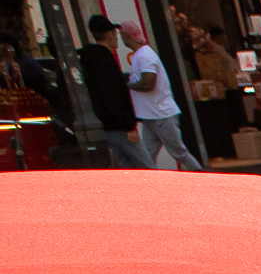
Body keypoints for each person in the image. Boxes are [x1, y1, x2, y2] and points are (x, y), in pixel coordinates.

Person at [120, 20, 202, 170]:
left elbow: (148, 83)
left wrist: (127, 85)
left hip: (160, 115)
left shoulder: (145, 56)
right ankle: (149, 182)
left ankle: (201, 174)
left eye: (121, 34)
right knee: (149, 154)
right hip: (153, 115)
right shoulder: (142, 55)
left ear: (126, 35)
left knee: (177, 152)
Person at [79, 14, 149, 167]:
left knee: (127, 169)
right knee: (147, 167)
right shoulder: (104, 60)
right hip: (120, 127)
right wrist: (129, 126)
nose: (116, 37)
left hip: (108, 126)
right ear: (109, 34)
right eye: (115, 33)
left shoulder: (88, 59)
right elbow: (112, 95)